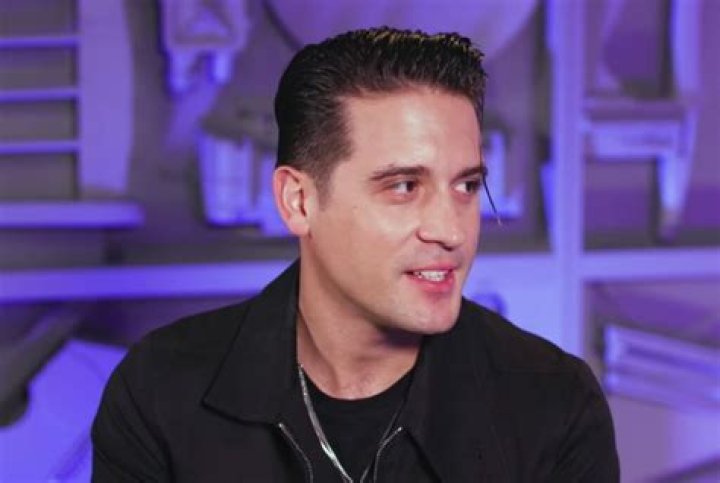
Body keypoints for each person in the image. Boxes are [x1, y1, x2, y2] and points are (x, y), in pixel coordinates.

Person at [92, 27, 619, 482]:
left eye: (466, 186)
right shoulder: (160, 391)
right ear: (299, 202)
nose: (451, 230)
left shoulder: (556, 405)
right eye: (404, 186)